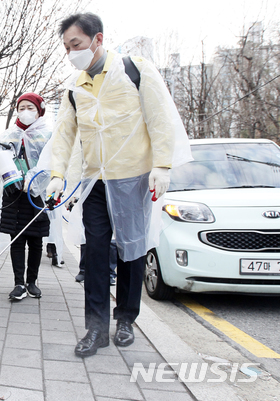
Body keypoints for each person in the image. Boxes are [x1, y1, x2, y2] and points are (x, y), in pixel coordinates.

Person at [46, 13, 191, 357]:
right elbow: (64, 134)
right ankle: (95, 328)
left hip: (133, 177)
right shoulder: (73, 86)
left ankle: (126, 318)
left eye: (76, 44)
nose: (71, 52)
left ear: (97, 39)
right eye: (66, 47)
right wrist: (56, 174)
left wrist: (162, 166)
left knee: (131, 249)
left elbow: (160, 118)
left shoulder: (134, 69)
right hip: (95, 180)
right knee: (95, 251)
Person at [0, 93, 52, 301]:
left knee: (36, 239)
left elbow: (53, 162)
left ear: (39, 110)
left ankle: (32, 282)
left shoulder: (48, 134)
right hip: (14, 193)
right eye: (21, 107)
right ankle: (18, 284)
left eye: (30, 107)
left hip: (38, 195)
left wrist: (39, 183)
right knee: (16, 239)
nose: (25, 112)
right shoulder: (9, 135)